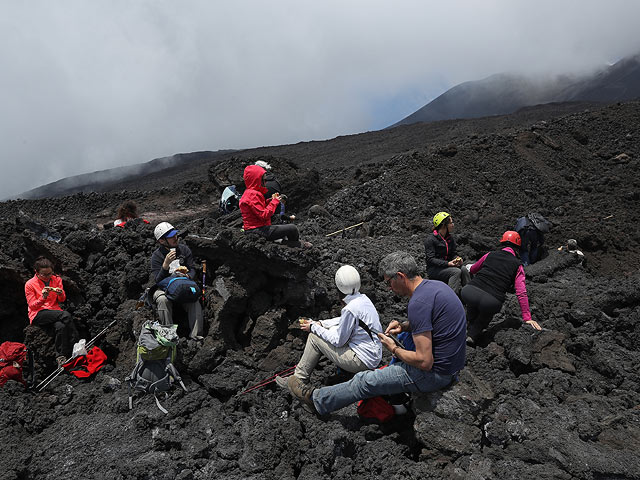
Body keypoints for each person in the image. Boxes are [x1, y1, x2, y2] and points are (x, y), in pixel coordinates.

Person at [286, 251, 466, 416]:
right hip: (452, 364)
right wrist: (404, 326)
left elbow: (425, 362)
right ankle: (397, 396)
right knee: (403, 338)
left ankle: (316, 400)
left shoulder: (418, 303)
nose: (389, 288)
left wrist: (393, 349)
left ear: (401, 277)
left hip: (436, 375)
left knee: (364, 382)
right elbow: (435, 321)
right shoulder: (435, 287)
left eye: (389, 282)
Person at [275, 265, 383, 389]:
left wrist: (313, 328)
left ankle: (297, 381)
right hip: (374, 356)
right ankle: (342, 372)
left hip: (361, 361)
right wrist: (321, 323)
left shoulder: (349, 309)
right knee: (328, 330)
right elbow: (344, 321)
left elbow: (338, 341)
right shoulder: (363, 299)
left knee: (314, 338)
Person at [461, 231, 542, 345]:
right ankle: (472, 334)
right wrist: (527, 317)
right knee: (486, 313)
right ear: (518, 247)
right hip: (491, 300)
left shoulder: (489, 255)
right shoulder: (517, 265)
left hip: (468, 292)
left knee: (474, 301)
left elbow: (473, 269)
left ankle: (467, 323)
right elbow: (521, 292)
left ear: (502, 243)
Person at [150, 222, 204, 340]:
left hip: (183, 285)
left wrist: (188, 276)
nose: (175, 238)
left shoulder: (184, 250)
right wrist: (165, 265)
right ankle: (169, 336)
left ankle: (196, 336)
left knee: (194, 300)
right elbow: (158, 280)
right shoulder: (157, 256)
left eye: (175, 235)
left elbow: (192, 269)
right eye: (171, 236)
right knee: (162, 299)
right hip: (164, 288)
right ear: (162, 241)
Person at [24, 257, 78, 365]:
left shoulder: (56, 279)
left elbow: (61, 299)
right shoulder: (30, 284)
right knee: (66, 315)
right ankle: (76, 343)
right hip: (38, 314)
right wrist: (42, 298)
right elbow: (32, 306)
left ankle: (61, 356)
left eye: (50, 273)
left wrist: (60, 293)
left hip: (54, 311)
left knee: (60, 327)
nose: (48, 276)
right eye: (44, 274)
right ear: (37, 272)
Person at [239, 164, 309, 247]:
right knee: (292, 228)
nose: (266, 182)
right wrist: (275, 201)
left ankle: (288, 243)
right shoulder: (253, 194)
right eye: (264, 180)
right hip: (257, 229)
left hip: (254, 228)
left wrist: (271, 200)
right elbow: (264, 215)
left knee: (284, 230)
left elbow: (259, 208)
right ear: (257, 180)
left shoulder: (249, 193)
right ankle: (296, 246)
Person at [424, 211, 470, 296]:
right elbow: (431, 259)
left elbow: (453, 253)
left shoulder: (450, 238)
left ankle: (468, 294)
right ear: (444, 225)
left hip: (446, 266)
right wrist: (448, 263)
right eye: (451, 223)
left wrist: (457, 259)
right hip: (435, 269)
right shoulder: (430, 240)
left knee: (464, 269)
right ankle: (451, 297)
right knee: (455, 272)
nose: (453, 225)